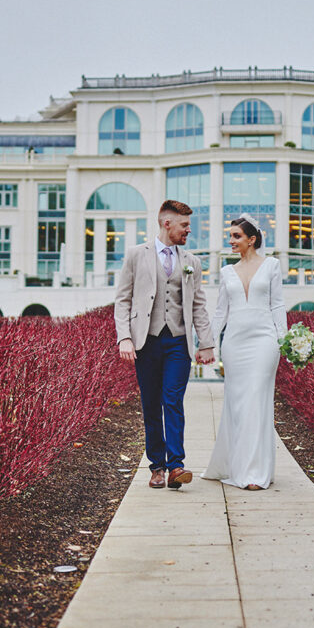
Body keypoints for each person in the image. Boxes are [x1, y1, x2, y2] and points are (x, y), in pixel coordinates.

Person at [114, 199, 215, 489]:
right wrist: (125, 337)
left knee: (172, 401)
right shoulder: (136, 255)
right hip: (146, 342)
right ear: (166, 223)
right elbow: (122, 300)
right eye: (184, 225)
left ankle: (176, 466)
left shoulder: (192, 261)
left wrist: (206, 343)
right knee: (150, 405)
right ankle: (156, 466)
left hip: (178, 344)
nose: (188, 231)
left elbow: (198, 305)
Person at [200, 215, 286, 491]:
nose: (231, 241)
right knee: (237, 404)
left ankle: (255, 472)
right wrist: (207, 344)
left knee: (257, 400)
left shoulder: (272, 265)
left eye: (236, 236)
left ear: (252, 239)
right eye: (231, 236)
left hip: (265, 340)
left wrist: (284, 341)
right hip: (234, 342)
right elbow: (220, 312)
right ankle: (237, 465)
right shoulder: (226, 272)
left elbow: (277, 306)